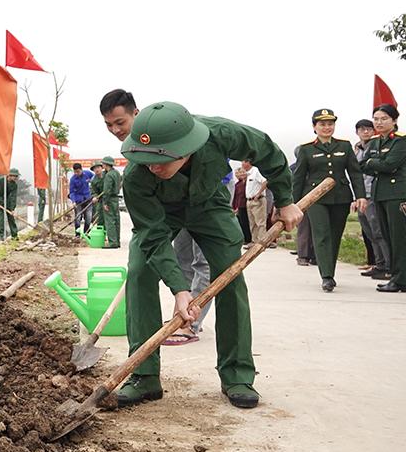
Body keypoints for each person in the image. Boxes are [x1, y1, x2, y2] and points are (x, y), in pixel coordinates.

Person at [117, 101, 302, 410]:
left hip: (209, 205)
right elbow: (152, 235)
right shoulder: (137, 176)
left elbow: (268, 152)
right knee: (139, 271)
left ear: (186, 148)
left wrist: (284, 200)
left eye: (161, 159)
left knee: (230, 275)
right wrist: (180, 288)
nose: (153, 166)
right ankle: (144, 375)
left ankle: (237, 375)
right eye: (146, 159)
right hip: (162, 212)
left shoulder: (222, 134)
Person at [291, 109, 367, 292]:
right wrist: (295, 205)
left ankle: (329, 271)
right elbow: (299, 178)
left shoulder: (345, 146)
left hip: (341, 197)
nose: (327, 127)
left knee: (334, 236)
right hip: (316, 198)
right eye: (322, 124)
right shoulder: (306, 149)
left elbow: (355, 173)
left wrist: (361, 196)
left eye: (330, 124)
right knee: (322, 234)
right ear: (314, 127)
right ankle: (326, 276)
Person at [361, 104, 406, 293]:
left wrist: (373, 162)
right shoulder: (375, 141)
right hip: (380, 195)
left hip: (398, 195)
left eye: (384, 119)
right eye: (376, 119)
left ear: (394, 121)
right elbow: (363, 164)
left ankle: (400, 279)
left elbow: (390, 165)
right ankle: (397, 277)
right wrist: (374, 163)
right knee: (387, 237)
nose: (379, 122)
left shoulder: (400, 142)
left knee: (399, 239)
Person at [354, 118, 392, 280]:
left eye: (369, 129)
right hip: (361, 196)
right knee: (369, 232)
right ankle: (379, 263)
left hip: (374, 195)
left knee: (379, 231)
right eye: (362, 129)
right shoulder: (357, 150)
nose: (366, 132)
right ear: (357, 132)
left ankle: (388, 266)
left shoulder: (377, 146)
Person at [242, 161, 270, 245]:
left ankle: (262, 242)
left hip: (257, 200)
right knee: (252, 223)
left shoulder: (256, 171)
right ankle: (254, 241)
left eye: (243, 162)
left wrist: (258, 194)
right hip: (249, 200)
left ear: (248, 162)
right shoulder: (248, 174)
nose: (242, 164)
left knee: (260, 222)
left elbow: (265, 182)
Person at [0, 168, 20, 240]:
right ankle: (2, 235)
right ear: (10, 175)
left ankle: (14, 235)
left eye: (16, 176)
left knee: (11, 218)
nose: (15, 178)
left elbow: (13, 197)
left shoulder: (14, 185)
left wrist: (12, 209)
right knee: (1, 219)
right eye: (14, 176)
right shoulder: (1, 180)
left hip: (8, 202)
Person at [100, 156, 123, 248]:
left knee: (109, 221)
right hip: (116, 199)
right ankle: (117, 241)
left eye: (103, 164)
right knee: (116, 220)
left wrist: (105, 202)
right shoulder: (116, 173)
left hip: (109, 199)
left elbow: (107, 190)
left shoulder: (109, 175)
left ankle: (112, 243)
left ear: (106, 164)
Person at [68, 162, 94, 235]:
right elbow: (72, 192)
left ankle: (86, 233)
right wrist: (73, 201)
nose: (77, 173)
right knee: (78, 218)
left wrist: (92, 184)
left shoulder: (88, 174)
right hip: (78, 201)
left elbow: (95, 179)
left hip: (88, 199)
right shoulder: (73, 179)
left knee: (89, 217)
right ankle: (77, 234)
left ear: (81, 170)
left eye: (78, 171)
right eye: (75, 172)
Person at [231, 167, 253, 244]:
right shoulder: (237, 184)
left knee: (246, 222)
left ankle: (248, 239)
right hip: (239, 206)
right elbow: (235, 197)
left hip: (245, 205)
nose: (241, 174)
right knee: (240, 223)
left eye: (243, 172)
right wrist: (234, 207)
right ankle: (243, 238)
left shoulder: (247, 183)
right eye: (238, 173)